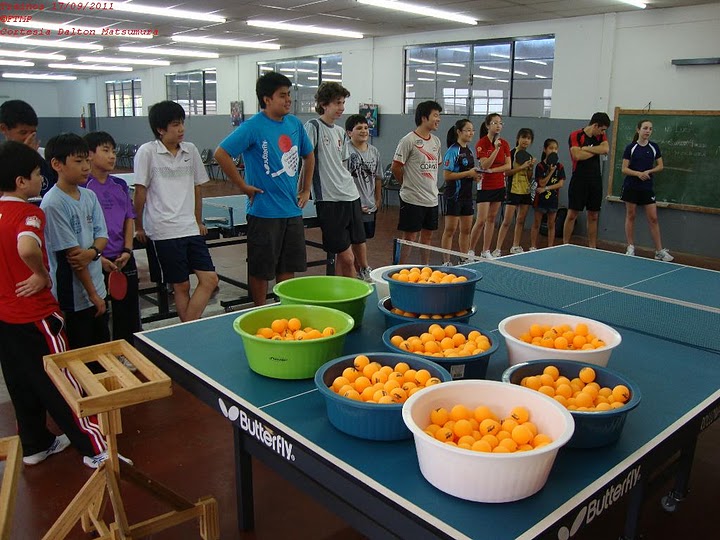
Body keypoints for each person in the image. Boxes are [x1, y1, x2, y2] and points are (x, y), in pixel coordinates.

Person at [0, 140, 122, 469]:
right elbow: (27, 248)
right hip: (36, 315)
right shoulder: (30, 212)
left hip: (6, 318)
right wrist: (39, 274)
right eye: (38, 174)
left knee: (21, 382)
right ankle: (96, 449)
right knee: (62, 382)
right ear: (21, 182)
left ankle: (36, 444)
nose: (42, 180)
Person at [214, 72, 314, 306]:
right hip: (263, 211)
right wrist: (241, 185)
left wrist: (306, 188)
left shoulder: (294, 124)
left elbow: (309, 155)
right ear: (267, 99)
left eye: (289, 94)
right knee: (261, 269)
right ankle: (259, 309)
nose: (288, 99)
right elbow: (221, 153)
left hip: (291, 211)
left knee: (287, 266)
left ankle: (283, 308)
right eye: (282, 95)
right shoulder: (253, 127)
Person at [134, 101, 219, 321]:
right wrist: (139, 226)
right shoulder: (147, 152)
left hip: (189, 227)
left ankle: (187, 326)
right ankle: (189, 329)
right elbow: (140, 192)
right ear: (160, 129)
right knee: (180, 286)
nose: (181, 128)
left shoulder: (190, 150)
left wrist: (198, 221)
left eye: (182, 123)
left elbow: (197, 188)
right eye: (175, 124)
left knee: (210, 279)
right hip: (163, 231)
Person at [40, 134, 111, 350]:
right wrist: (92, 295)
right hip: (74, 297)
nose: (85, 167)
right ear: (56, 164)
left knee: (102, 352)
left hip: (97, 288)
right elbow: (73, 258)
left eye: (87, 161)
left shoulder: (89, 196)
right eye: (78, 162)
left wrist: (92, 253)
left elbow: (102, 236)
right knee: (81, 356)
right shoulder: (52, 204)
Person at [83, 131, 142, 344]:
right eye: (105, 150)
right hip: (96, 260)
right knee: (98, 313)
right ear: (89, 155)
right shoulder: (83, 187)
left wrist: (127, 249)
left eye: (113, 151)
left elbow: (129, 218)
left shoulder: (120, 184)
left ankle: (129, 353)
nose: (112, 156)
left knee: (128, 312)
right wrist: (97, 257)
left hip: (122, 258)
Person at [304, 82, 367, 278]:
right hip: (329, 201)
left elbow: (343, 166)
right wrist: (304, 189)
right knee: (347, 258)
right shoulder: (313, 126)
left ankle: (345, 293)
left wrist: (359, 199)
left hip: (351, 196)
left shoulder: (340, 132)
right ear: (323, 104)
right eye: (337, 103)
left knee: (352, 257)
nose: (341, 108)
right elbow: (305, 161)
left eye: (343, 103)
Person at [391, 100, 443, 265]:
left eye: (439, 115)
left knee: (427, 236)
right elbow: (396, 167)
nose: (438, 119)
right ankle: (401, 269)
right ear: (423, 117)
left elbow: (435, 166)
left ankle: (424, 267)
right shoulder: (408, 140)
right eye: (435, 115)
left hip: (432, 199)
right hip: (412, 198)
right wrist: (406, 184)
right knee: (410, 237)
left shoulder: (436, 142)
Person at [620, 119, 673, 262]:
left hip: (647, 188)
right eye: (645, 128)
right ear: (638, 130)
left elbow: (660, 166)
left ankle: (659, 251)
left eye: (650, 129)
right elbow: (624, 169)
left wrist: (649, 170)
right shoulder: (630, 148)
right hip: (631, 187)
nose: (648, 131)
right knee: (631, 216)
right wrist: (638, 174)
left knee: (653, 218)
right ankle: (630, 247)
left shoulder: (654, 147)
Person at [563, 112, 610, 248]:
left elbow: (605, 149)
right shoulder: (576, 135)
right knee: (572, 214)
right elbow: (577, 155)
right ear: (595, 125)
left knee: (593, 215)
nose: (602, 132)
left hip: (595, 179)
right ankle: (565, 245)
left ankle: (592, 247)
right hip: (579, 178)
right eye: (601, 129)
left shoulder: (601, 136)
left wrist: (586, 149)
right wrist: (595, 150)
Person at [468, 113, 512, 259]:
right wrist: (496, 150)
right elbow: (484, 164)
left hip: (499, 185)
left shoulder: (505, 143)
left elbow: (508, 165)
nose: (498, 125)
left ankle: (485, 250)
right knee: (481, 220)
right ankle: (470, 250)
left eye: (500, 123)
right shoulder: (481, 143)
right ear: (488, 125)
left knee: (492, 219)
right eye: (495, 123)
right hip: (485, 185)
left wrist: (493, 170)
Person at [345, 114, 382, 281]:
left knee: (363, 238)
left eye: (366, 128)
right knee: (355, 238)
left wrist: (378, 198)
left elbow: (378, 177)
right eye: (359, 128)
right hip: (352, 203)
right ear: (349, 133)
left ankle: (360, 269)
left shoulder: (374, 151)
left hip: (369, 203)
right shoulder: (345, 151)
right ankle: (361, 270)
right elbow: (341, 178)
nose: (363, 131)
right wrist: (353, 202)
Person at [0, 99, 57, 197]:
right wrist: (23, 157)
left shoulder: (43, 156)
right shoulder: (2, 160)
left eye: (33, 133)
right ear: (3, 128)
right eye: (23, 132)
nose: (29, 138)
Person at [440, 119, 477, 265]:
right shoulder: (452, 151)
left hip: (467, 196)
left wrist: (475, 176)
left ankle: (464, 258)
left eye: (472, 130)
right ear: (459, 132)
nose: (471, 133)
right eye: (467, 130)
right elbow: (447, 176)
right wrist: (468, 174)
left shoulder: (469, 151)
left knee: (466, 229)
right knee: (450, 230)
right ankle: (446, 261)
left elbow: (469, 172)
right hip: (453, 196)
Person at [494, 128, 536, 255]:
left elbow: (529, 177)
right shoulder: (510, 154)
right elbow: (506, 173)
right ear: (518, 138)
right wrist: (522, 167)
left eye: (528, 138)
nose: (526, 140)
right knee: (507, 221)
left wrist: (529, 168)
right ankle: (497, 248)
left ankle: (515, 246)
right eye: (524, 137)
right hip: (513, 190)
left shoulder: (528, 156)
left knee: (521, 220)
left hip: (525, 191)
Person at [530, 138, 566, 250]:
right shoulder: (540, 166)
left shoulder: (560, 167)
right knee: (537, 223)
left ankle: (550, 247)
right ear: (545, 150)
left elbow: (560, 184)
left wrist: (546, 188)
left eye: (556, 148)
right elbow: (541, 182)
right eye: (551, 148)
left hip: (553, 200)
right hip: (540, 200)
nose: (553, 150)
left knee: (551, 225)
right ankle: (533, 246)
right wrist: (550, 172)